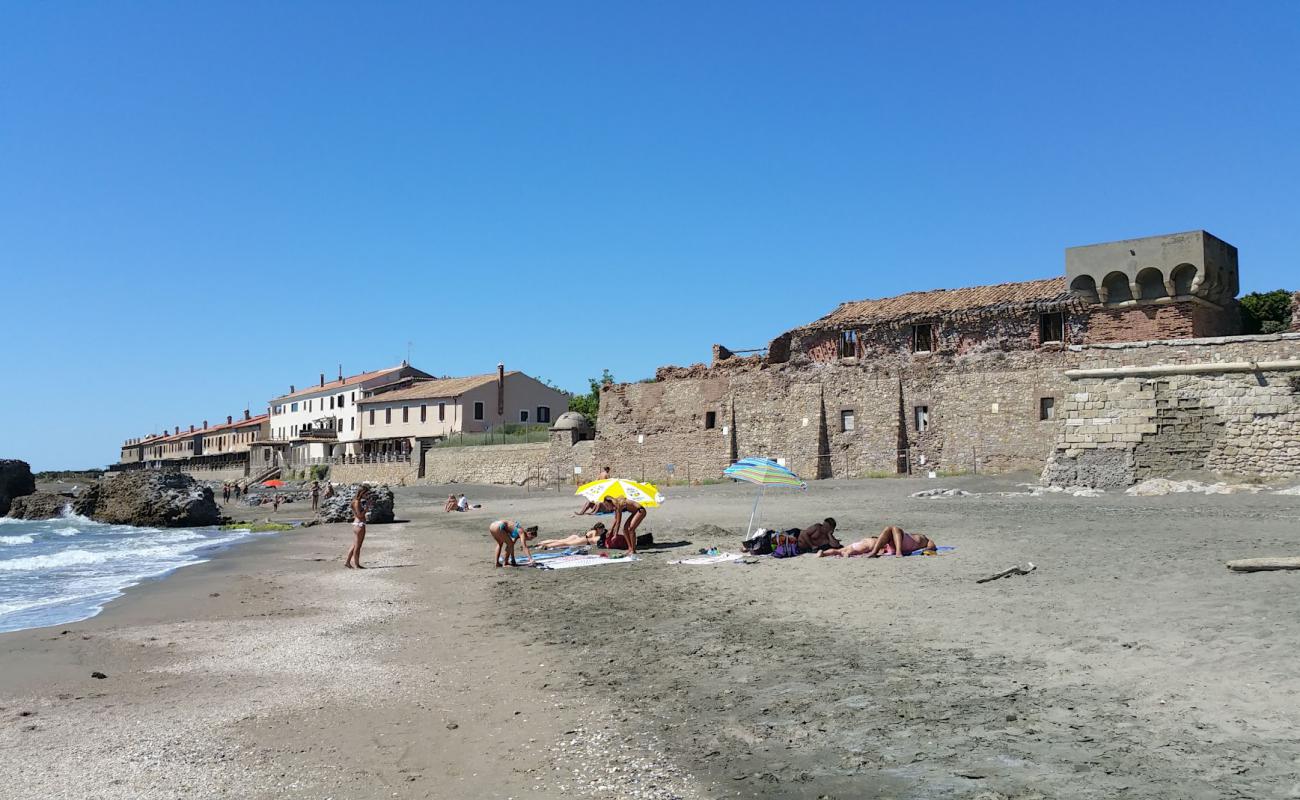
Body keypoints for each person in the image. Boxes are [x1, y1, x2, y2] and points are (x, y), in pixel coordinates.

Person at [861, 525, 936, 557]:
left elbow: (932, 546)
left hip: (905, 543)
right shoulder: (922, 538)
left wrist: (927, 549)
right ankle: (874, 552)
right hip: (903, 541)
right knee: (889, 529)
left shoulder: (926, 539)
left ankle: (898, 552)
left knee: (894, 528)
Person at [345, 486, 373, 569]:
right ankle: (357, 564)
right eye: (366, 493)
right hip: (359, 524)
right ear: (362, 493)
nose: (367, 495)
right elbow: (360, 515)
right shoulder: (357, 502)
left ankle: (347, 562)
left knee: (354, 545)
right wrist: (367, 508)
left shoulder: (355, 501)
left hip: (356, 524)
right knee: (358, 546)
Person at [536, 523, 605, 550]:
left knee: (560, 541)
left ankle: (543, 543)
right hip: (580, 540)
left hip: (579, 539)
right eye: (601, 528)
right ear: (597, 528)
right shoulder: (594, 532)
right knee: (563, 542)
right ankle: (545, 545)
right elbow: (590, 538)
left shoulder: (595, 532)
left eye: (603, 528)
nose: (602, 530)